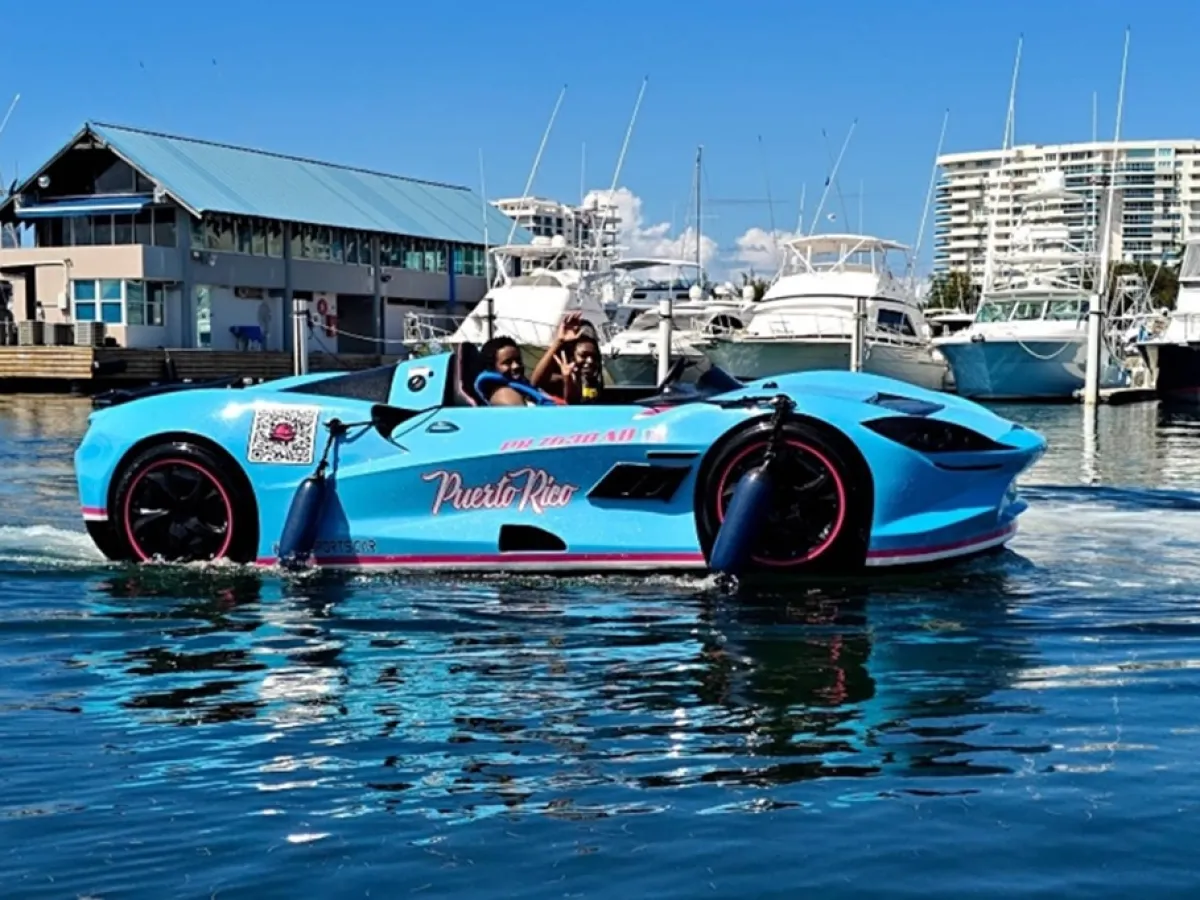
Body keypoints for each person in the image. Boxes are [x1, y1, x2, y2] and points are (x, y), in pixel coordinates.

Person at [531, 312, 606, 404]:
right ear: (571, 355)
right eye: (583, 355)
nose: (590, 361)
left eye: (593, 356)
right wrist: (559, 341)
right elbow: (535, 383)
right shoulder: (560, 378)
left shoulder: (593, 379)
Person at [475, 336, 560, 406]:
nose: (516, 366)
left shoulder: (524, 389)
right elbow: (524, 423)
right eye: (507, 362)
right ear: (492, 368)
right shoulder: (503, 394)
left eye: (518, 360)